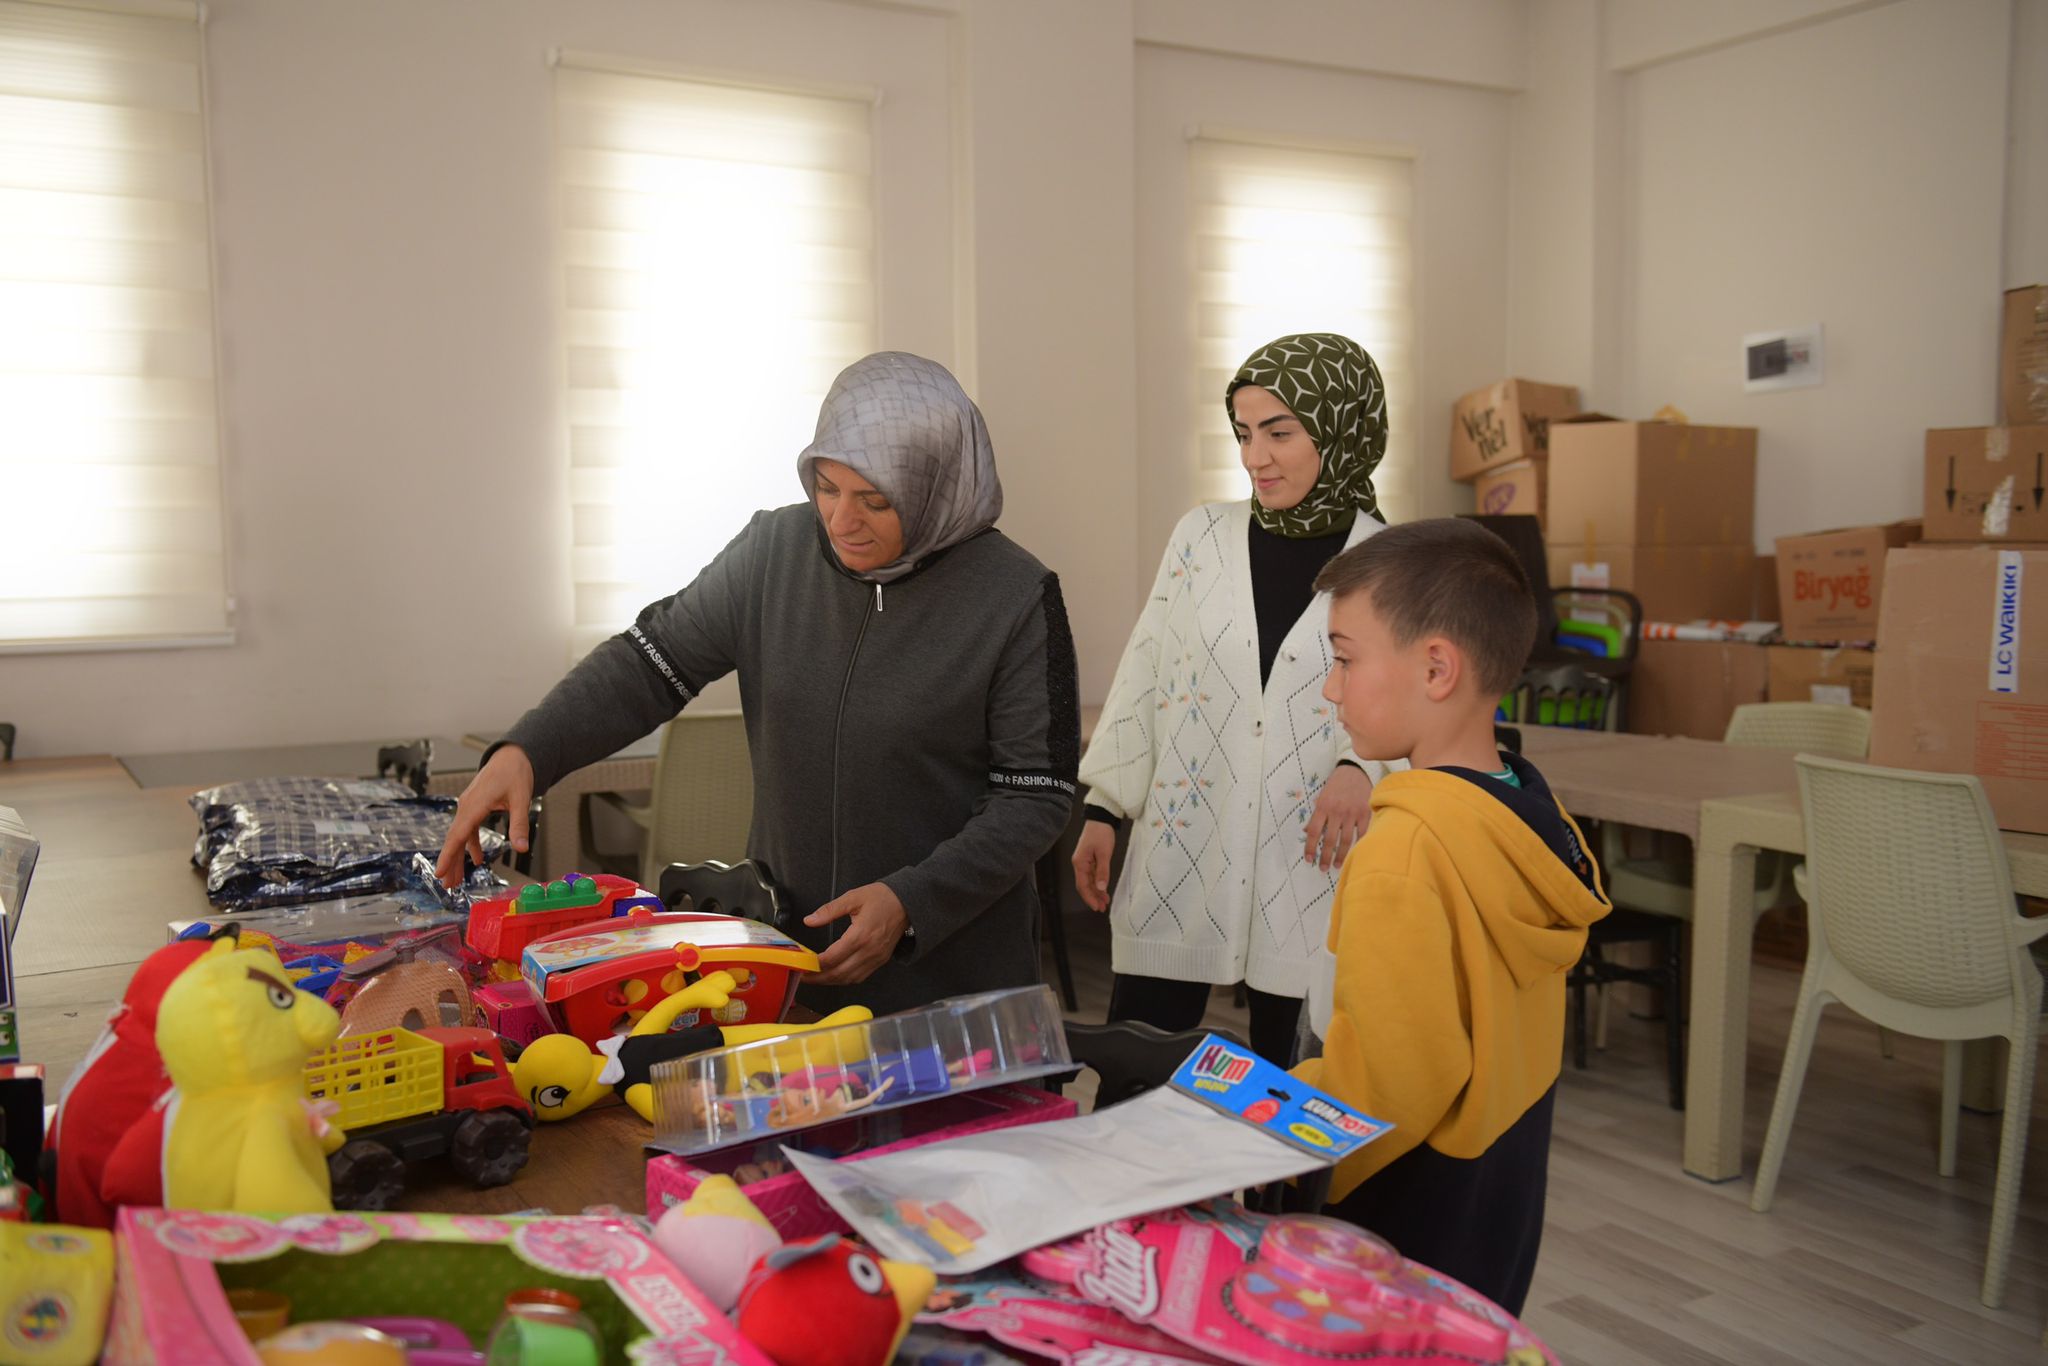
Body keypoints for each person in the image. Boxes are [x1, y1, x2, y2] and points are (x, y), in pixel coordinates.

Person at [436, 352, 1080, 1018]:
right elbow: (648, 665)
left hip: (951, 987)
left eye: (875, 501)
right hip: (784, 970)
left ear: (939, 488)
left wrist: (912, 903)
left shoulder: (1015, 596)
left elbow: (1035, 797)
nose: (839, 521)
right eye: (826, 488)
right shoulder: (775, 552)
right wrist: (529, 750)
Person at [1290, 517, 1610, 1315]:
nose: (1331, 687)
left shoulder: (1404, 852)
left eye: (1344, 659)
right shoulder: (1526, 815)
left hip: (1398, 1227)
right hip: (1496, 1204)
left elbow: (1387, 1090)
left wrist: (1266, 1124)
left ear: (1437, 667)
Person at [1071, 333, 1397, 1063]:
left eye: (1280, 432)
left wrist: (1360, 769)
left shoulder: (1390, 562)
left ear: (1340, 430)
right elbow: (1147, 668)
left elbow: (1401, 701)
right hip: (1186, 841)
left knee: (1297, 1096)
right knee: (1136, 1076)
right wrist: (1103, 808)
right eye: (1245, 433)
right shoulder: (1201, 537)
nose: (1256, 457)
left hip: (1311, 858)